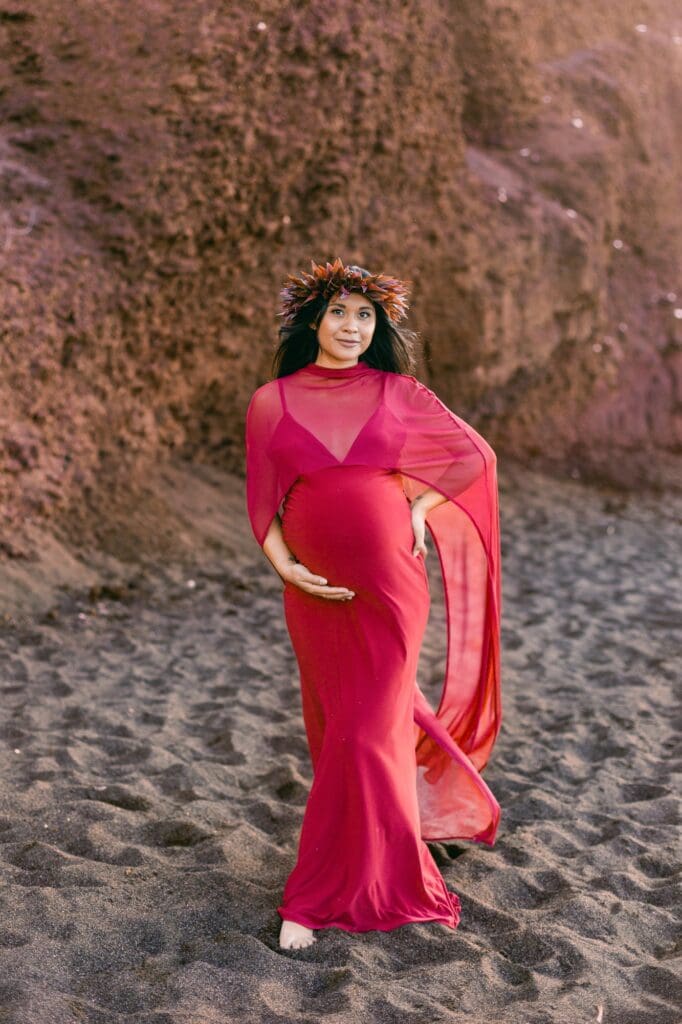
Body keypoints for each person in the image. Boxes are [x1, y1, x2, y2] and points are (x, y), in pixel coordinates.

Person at [244, 257, 502, 951]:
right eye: (340, 313)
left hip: (391, 587)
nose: (353, 326)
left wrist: (417, 507)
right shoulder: (272, 401)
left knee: (366, 727)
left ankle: (316, 896)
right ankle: (368, 850)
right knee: (338, 731)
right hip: (316, 595)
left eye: (366, 315)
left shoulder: (400, 392)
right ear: (313, 322)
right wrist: (288, 570)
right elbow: (262, 502)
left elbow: (472, 457)